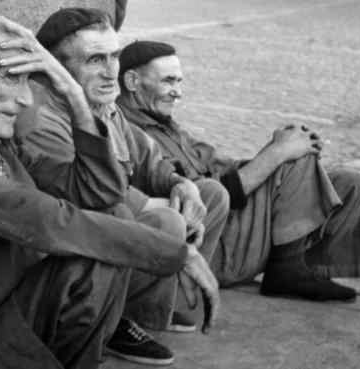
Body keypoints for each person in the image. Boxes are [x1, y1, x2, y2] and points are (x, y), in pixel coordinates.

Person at [0, 2, 218, 368]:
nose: (26, 98)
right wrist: (175, 252)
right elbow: (48, 221)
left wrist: (73, 96)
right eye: (11, 77)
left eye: (29, 80)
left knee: (113, 218)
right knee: (94, 258)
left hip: (5, 322)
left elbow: (99, 195)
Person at [14, 8, 227, 366]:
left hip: (109, 214)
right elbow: (93, 197)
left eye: (114, 56)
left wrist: (178, 183)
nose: (112, 70)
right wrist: (157, 205)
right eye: (96, 59)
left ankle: (148, 309)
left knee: (208, 195)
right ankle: (113, 325)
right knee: (162, 221)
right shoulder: (39, 119)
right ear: (56, 70)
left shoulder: (105, 102)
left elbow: (146, 157)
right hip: (72, 243)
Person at [116, 40, 360, 301]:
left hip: (235, 228)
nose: (178, 92)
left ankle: (306, 269)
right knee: (292, 162)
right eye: (168, 81)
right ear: (132, 82)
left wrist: (277, 146)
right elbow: (212, 195)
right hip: (211, 246)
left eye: (179, 82)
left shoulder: (166, 126)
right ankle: (286, 271)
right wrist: (278, 154)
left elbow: (223, 166)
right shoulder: (129, 133)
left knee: (350, 183)